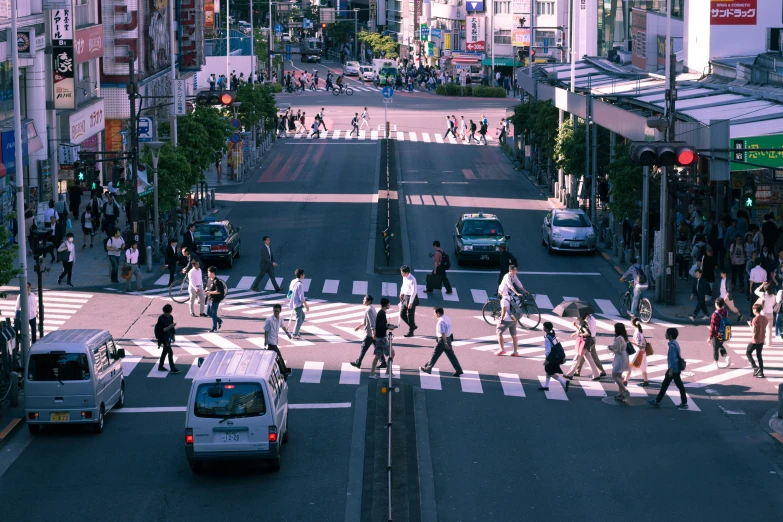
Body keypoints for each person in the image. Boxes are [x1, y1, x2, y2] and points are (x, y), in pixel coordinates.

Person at [647, 328, 688, 409]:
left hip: (673, 370)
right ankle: (683, 402)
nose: (665, 334)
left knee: (666, 385)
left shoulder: (672, 346)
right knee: (676, 385)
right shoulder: (675, 343)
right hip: (676, 369)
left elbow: (672, 359)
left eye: (666, 333)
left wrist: (671, 370)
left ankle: (658, 401)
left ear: (670, 336)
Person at [419, 307, 463, 377]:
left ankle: (428, 368)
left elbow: (443, 334)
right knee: (451, 356)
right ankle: (458, 369)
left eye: (434, 313)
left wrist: (445, 343)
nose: (434, 314)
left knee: (435, 354)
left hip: (443, 340)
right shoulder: (447, 318)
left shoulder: (441, 322)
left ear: (438, 313)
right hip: (448, 339)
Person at [351, 295, 386, 370]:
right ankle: (383, 362)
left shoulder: (369, 309)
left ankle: (358, 362)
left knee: (364, 348)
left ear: (369, 301)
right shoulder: (371, 307)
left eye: (364, 300)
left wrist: (373, 332)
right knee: (377, 347)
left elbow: (372, 321)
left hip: (369, 333)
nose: (363, 301)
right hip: (373, 333)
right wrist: (359, 326)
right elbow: (367, 320)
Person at [538, 322, 569, 392]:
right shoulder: (552, 335)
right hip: (555, 356)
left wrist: (547, 360)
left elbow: (548, 350)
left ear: (546, 328)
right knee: (548, 371)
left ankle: (564, 382)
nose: (543, 328)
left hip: (551, 357)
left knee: (550, 373)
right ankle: (546, 386)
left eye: (544, 326)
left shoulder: (547, 338)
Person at [370, 298, 396, 379]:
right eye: (389, 303)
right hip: (382, 338)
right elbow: (381, 327)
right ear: (386, 304)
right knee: (392, 353)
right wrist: (388, 328)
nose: (390, 305)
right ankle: (388, 372)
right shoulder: (382, 314)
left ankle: (372, 373)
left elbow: (382, 325)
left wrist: (389, 326)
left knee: (377, 356)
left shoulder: (381, 313)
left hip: (378, 338)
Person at [264, 304, 291, 376]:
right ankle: (284, 371)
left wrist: (287, 333)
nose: (276, 313)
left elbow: (282, 326)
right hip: (271, 341)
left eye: (277, 311)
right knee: (278, 356)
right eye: (275, 311)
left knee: (270, 358)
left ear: (280, 311)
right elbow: (266, 330)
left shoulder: (281, 319)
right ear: (273, 311)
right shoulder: (269, 320)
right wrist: (265, 341)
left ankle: (266, 371)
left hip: (275, 340)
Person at [154, 304, 180, 374]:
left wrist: (173, 336)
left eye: (168, 313)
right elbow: (163, 330)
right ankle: (172, 368)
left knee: (165, 352)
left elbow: (172, 328)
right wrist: (170, 326)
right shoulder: (161, 318)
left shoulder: (170, 317)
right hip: (162, 337)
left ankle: (160, 366)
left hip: (168, 336)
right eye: (166, 313)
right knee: (170, 352)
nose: (168, 314)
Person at [624, 317, 649, 387]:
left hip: (637, 352)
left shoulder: (637, 331)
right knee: (643, 367)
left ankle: (625, 381)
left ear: (633, 323)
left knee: (630, 366)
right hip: (642, 352)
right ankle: (646, 381)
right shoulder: (640, 330)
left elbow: (638, 344)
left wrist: (630, 342)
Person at [608, 322, 630, 400]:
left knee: (614, 375)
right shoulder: (623, 337)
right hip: (624, 356)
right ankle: (620, 393)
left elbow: (618, 350)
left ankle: (625, 391)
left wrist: (611, 348)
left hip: (620, 357)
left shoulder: (618, 338)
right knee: (619, 376)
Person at [707, 297, 731, 370]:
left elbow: (712, 326)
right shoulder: (725, 311)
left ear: (716, 304)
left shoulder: (715, 314)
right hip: (724, 332)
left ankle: (716, 362)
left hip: (717, 333)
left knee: (715, 347)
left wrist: (710, 337)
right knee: (720, 344)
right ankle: (726, 356)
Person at [747, 303, 767, 378]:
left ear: (755, 310)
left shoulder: (755, 320)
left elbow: (753, 331)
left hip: (755, 340)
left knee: (748, 352)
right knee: (759, 356)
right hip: (762, 339)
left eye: (753, 309)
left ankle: (755, 367)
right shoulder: (764, 318)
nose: (753, 311)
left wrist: (750, 324)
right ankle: (761, 372)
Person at [288, 268, 309, 339]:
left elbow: (290, 291)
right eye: (303, 274)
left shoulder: (293, 281)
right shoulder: (299, 284)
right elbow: (301, 297)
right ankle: (294, 334)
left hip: (293, 302)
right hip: (297, 304)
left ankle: (296, 331)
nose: (304, 275)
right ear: (301, 275)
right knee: (299, 319)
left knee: (302, 317)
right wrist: (306, 305)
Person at [399, 265, 419, 337]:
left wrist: (410, 302)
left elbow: (414, 291)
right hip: (405, 296)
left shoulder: (412, 279)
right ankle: (412, 325)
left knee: (410, 315)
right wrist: (401, 293)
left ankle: (411, 331)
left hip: (411, 298)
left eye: (402, 273)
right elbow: (403, 285)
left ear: (407, 272)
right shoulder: (404, 277)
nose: (401, 274)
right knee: (402, 314)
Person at [754, 281, 776, 346]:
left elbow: (755, 291)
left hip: (763, 313)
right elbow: (774, 304)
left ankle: (761, 341)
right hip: (770, 313)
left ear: (765, 289)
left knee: (762, 328)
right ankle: (769, 342)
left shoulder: (763, 295)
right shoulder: (774, 296)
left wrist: (761, 285)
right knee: (769, 328)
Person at [205, 266, 226, 332]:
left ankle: (214, 328)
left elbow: (218, 291)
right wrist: (205, 290)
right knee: (208, 313)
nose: (208, 273)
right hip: (209, 299)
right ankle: (219, 321)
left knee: (214, 313)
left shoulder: (216, 281)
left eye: (209, 272)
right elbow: (207, 287)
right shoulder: (209, 280)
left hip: (215, 300)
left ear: (213, 273)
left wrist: (209, 292)